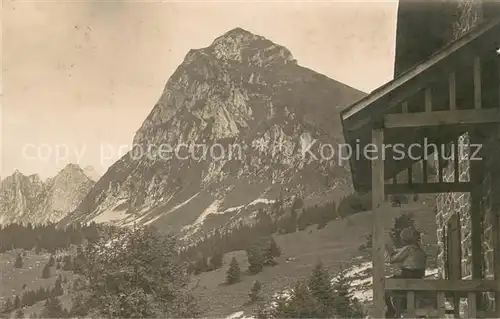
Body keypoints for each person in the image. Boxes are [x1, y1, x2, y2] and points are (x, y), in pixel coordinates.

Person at [384, 227, 427, 318]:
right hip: (417, 279)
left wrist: (386, 248)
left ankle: (392, 311)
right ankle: (398, 309)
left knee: (386, 286)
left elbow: (391, 259)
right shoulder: (419, 250)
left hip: (407, 277)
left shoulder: (409, 249)